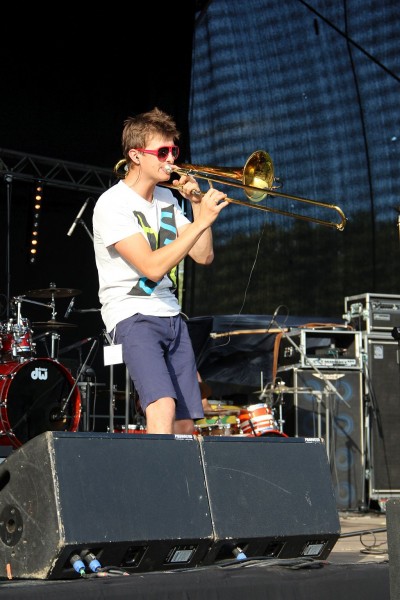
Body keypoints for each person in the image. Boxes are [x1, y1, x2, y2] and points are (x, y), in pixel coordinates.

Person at [93, 107, 228, 435]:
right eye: (162, 152)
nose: (171, 160)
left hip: (170, 314)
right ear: (136, 156)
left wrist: (197, 207)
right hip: (132, 313)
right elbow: (152, 267)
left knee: (184, 420)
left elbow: (203, 255)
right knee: (162, 406)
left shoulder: (167, 198)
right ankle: (156, 472)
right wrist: (202, 222)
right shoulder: (113, 204)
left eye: (174, 151)